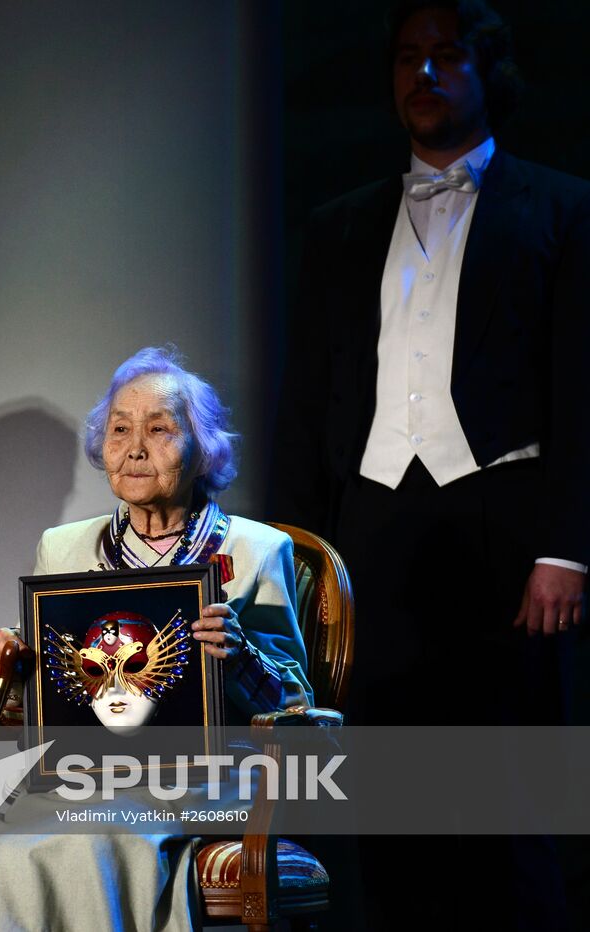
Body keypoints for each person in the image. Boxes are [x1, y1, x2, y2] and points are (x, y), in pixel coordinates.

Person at [269, 2, 585, 926]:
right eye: (408, 58)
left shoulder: (562, 208)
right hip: (373, 526)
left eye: (447, 56)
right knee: (388, 800)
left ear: (488, 72)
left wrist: (567, 549)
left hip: (504, 523)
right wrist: (291, 554)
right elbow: (307, 398)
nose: (425, 75)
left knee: (511, 802)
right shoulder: (340, 224)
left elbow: (581, 392)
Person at [0, 346, 313, 930]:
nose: (135, 448)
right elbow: (48, 692)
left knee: (97, 831)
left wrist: (240, 657)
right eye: (120, 429)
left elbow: (298, 702)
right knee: (18, 844)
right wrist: (8, 667)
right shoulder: (64, 546)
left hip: (200, 775)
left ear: (204, 450)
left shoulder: (255, 550)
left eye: (160, 429)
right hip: (79, 772)